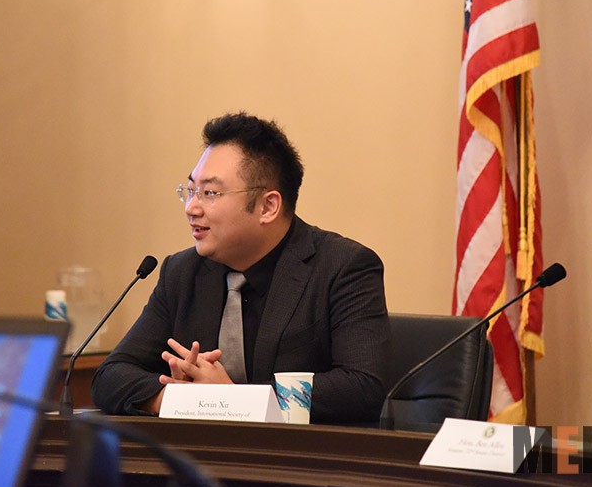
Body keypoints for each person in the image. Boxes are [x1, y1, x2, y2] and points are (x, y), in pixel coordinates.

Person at [91, 112, 390, 423]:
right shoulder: (181, 273)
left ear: (268, 206)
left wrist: (233, 399)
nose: (192, 208)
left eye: (210, 193)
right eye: (191, 191)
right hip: (201, 452)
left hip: (299, 452)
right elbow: (110, 376)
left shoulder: (343, 267)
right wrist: (177, 398)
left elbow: (362, 388)